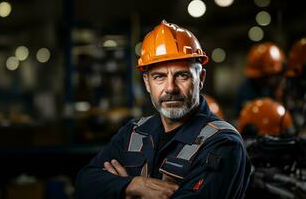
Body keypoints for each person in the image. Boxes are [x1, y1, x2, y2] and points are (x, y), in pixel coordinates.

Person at [76, 20, 251, 199]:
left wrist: (115, 191)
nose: (170, 88)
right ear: (146, 82)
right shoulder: (133, 132)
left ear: (201, 79)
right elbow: (84, 184)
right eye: (159, 77)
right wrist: (133, 185)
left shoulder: (223, 144)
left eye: (182, 75)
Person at [235, 42, 286, 117]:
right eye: (259, 78)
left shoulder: (285, 89)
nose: (261, 81)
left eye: (265, 77)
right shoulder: (247, 89)